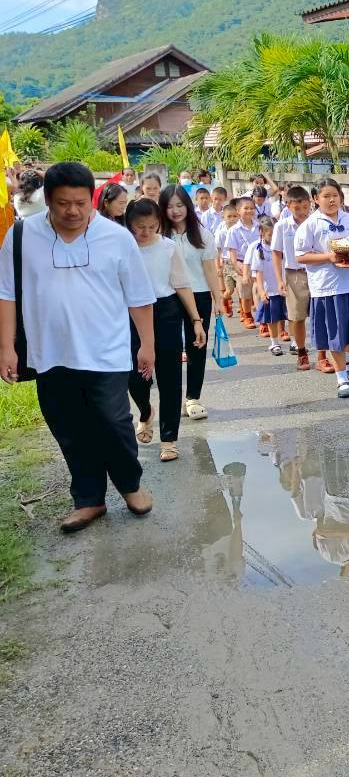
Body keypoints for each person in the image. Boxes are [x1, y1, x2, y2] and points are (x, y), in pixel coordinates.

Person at [0, 162, 157, 532]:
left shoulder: (117, 238)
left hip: (107, 351)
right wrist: (6, 346)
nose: (72, 211)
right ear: (47, 200)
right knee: (69, 427)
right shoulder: (21, 235)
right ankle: (89, 500)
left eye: (80, 203)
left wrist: (147, 343)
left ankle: (130, 485)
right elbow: (6, 293)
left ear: (92, 200)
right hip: (48, 353)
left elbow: (138, 296)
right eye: (62, 203)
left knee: (114, 422)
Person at [125, 199, 206, 463]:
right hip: (131, 313)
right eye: (140, 227)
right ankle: (146, 412)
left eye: (151, 226)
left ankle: (169, 439)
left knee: (170, 377)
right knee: (134, 376)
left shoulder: (168, 247)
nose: (146, 232)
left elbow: (182, 284)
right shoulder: (122, 247)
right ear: (129, 225)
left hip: (166, 311)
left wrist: (196, 320)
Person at [294, 178, 349, 398]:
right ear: (316, 199)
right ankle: (342, 379)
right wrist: (329, 256)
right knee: (335, 333)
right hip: (327, 286)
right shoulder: (310, 224)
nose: (331, 200)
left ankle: (347, 357)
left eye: (335, 195)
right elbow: (300, 256)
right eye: (326, 196)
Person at [160, 184, 219, 421]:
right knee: (171, 349)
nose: (175, 211)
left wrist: (218, 299)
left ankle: (193, 397)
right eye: (169, 206)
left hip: (200, 294)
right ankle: (172, 398)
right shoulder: (159, 235)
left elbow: (210, 270)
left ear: (188, 206)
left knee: (197, 346)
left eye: (179, 205)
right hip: (169, 297)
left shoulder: (202, 234)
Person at [272, 186, 315, 372]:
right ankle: (301, 351)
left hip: (316, 270)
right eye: (297, 208)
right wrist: (279, 279)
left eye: (305, 207)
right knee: (297, 316)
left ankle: (322, 354)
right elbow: (277, 253)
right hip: (294, 273)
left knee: (320, 314)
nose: (302, 211)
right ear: (288, 206)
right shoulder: (282, 226)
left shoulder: (315, 221)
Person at [251, 216, 288, 355]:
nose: (273, 237)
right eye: (270, 234)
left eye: (275, 234)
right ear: (261, 232)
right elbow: (258, 272)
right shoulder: (258, 249)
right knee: (272, 318)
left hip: (284, 287)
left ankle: (295, 342)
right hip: (270, 289)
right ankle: (274, 343)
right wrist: (261, 291)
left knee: (289, 315)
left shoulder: (282, 246)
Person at [226, 197, 258, 329]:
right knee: (245, 289)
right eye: (246, 208)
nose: (249, 211)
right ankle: (247, 315)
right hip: (241, 263)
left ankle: (263, 319)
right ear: (238, 211)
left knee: (258, 290)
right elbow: (232, 254)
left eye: (252, 208)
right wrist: (238, 267)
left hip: (258, 264)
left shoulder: (259, 226)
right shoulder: (233, 230)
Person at [213, 205, 238, 316]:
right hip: (227, 264)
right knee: (230, 290)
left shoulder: (239, 230)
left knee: (242, 289)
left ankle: (245, 313)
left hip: (239, 262)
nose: (232, 219)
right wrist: (218, 267)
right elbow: (217, 251)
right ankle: (224, 300)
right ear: (223, 218)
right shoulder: (221, 232)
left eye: (234, 216)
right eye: (229, 216)